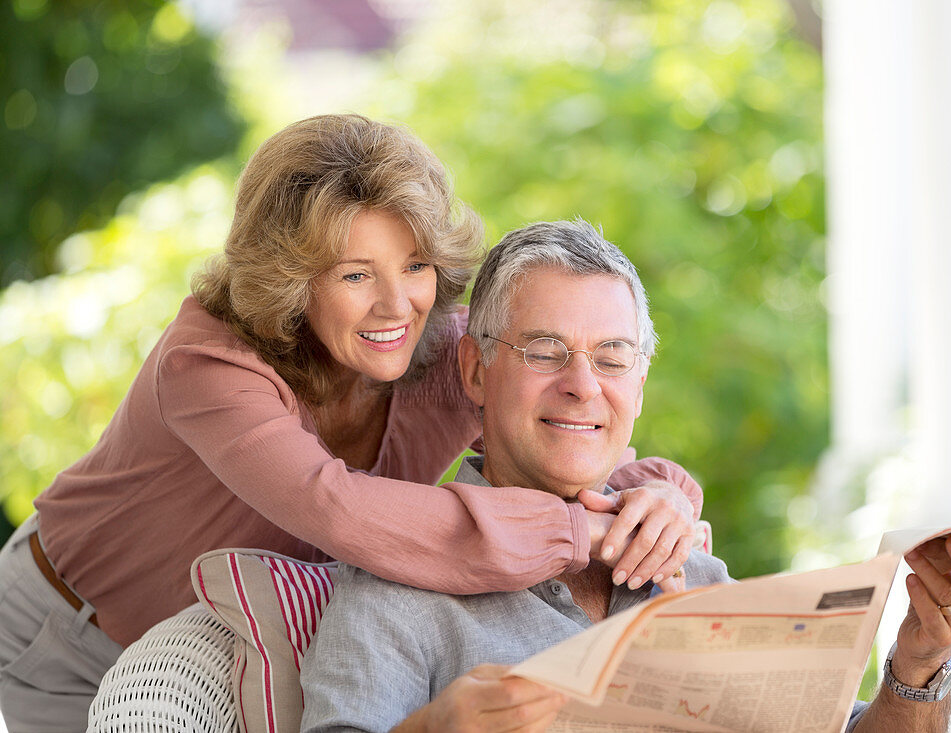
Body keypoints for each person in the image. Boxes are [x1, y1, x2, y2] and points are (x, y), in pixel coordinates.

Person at [0, 116, 704, 732]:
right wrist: (578, 534)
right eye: (355, 275)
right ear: (291, 276)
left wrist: (662, 494)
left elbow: (562, 430)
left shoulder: (449, 356)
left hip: (233, 622)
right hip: (69, 626)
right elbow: (335, 510)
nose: (397, 307)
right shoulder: (205, 366)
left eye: (417, 264)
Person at [299, 219, 951, 733]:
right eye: (546, 352)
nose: (582, 386)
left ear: (640, 380)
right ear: (477, 372)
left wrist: (917, 661)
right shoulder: (396, 585)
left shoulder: (688, 568)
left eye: (611, 357)